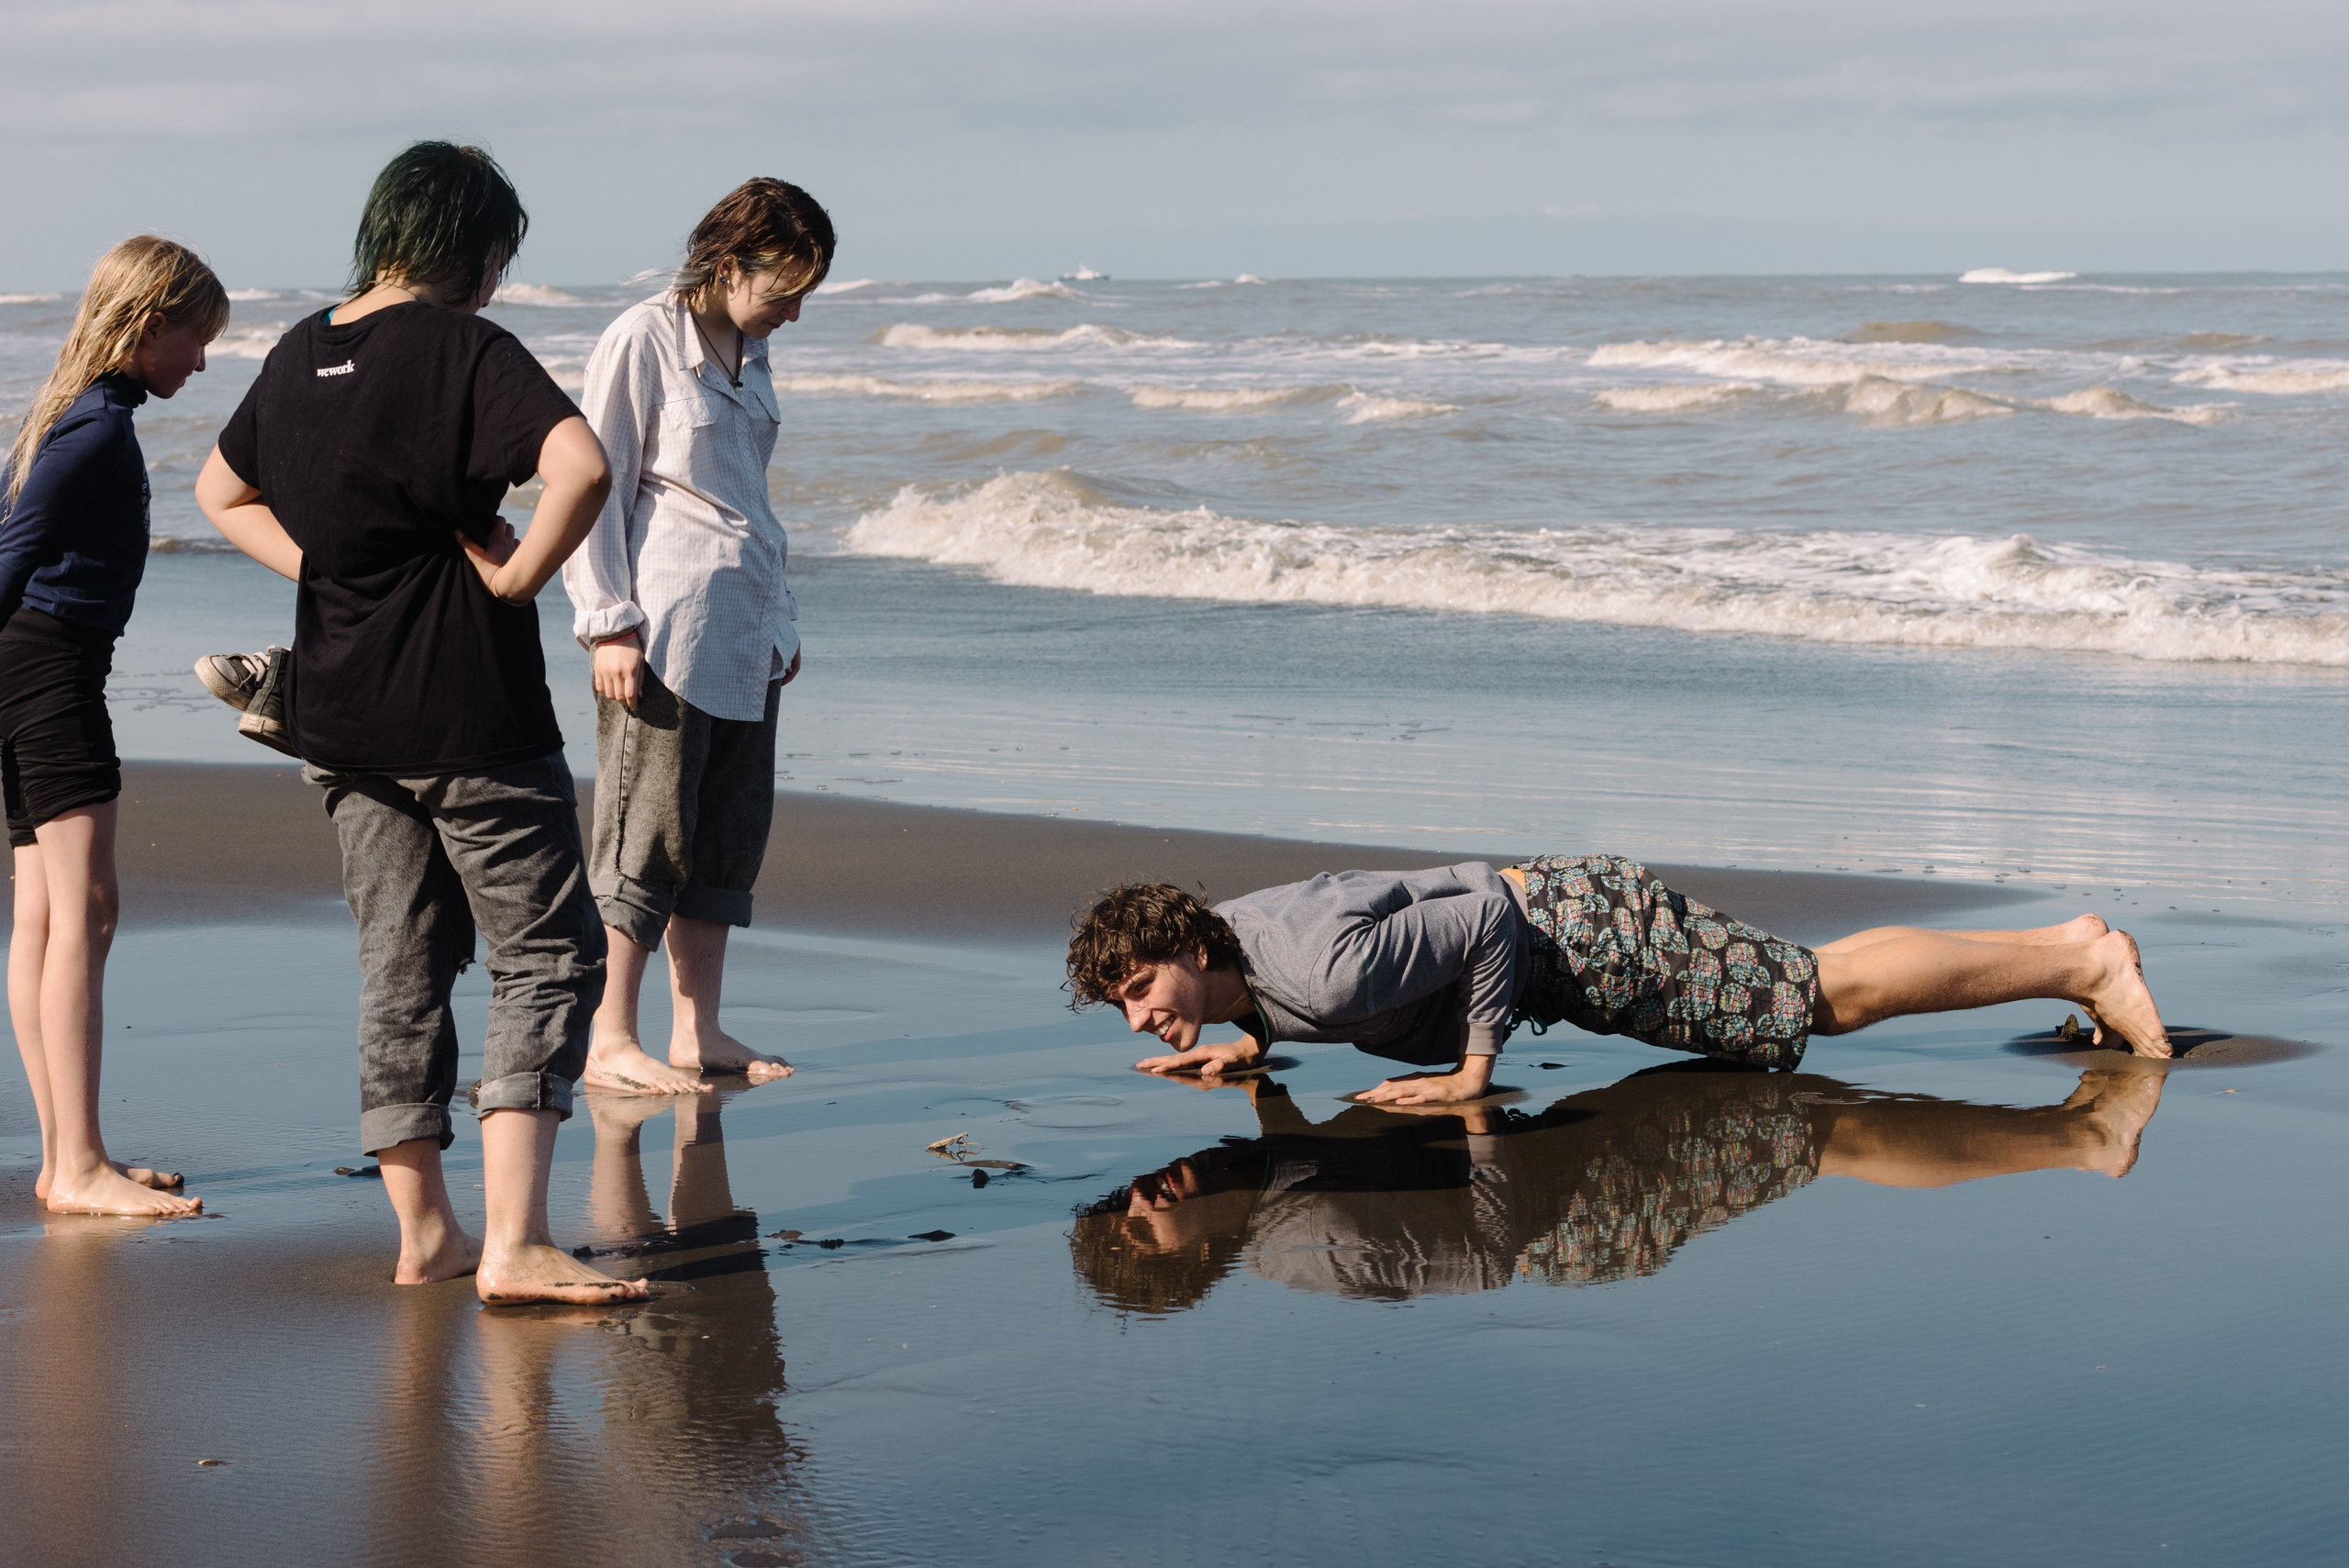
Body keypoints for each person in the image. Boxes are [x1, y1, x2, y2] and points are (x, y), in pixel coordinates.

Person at [193, 140, 646, 1304]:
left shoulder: (301, 350)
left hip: (340, 713)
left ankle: (426, 1233)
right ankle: (517, 1243)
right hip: (468, 709)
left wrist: (331, 568)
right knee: (547, 953)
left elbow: (217, 492)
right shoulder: (465, 347)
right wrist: (515, 578)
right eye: (499, 255)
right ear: (474, 247)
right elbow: (580, 465)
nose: (497, 279)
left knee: (399, 959)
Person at [1069, 1059, 2168, 1314]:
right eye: (1143, 1226)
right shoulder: (1299, 1244)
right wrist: (1482, 1119)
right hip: (1578, 1220)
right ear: (1199, 1251)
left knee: (1812, 1117)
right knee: (1822, 1138)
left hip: (1551, 1180)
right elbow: (1484, 1252)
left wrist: (1257, 1064)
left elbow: (1295, 1147)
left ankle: (2070, 1123)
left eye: (1124, 1200)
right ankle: (2079, 1138)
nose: (1141, 1196)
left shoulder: (1253, 1186)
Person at [1066, 854, 2170, 1106]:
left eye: (1143, 983)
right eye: (1123, 1001)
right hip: (1569, 914)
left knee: (1820, 997)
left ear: (1194, 951)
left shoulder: (1313, 962)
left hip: (1585, 931)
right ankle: (2063, 949)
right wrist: (1247, 1040)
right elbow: (1284, 981)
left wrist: (1473, 1068)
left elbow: (1487, 918)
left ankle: (2081, 958)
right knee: (1813, 979)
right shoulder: (1241, 949)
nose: (1140, 1011)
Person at [559, 178, 832, 1095]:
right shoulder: (645, 338)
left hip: (744, 627)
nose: (793, 313)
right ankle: (609, 1035)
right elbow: (595, 482)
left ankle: (696, 1030)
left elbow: (750, 502)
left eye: (804, 294)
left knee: (722, 839)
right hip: (663, 629)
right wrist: (606, 623)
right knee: (647, 835)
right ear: (727, 267)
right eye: (782, 291)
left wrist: (782, 616)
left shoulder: (751, 355)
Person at [3, 235, 228, 1216]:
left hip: (37, 662)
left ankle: (67, 1160)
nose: (202, 361)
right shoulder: (94, 426)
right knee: (83, 910)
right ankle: (79, 1162)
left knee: (45, 914)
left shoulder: (74, 413)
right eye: (194, 340)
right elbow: (10, 549)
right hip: (48, 669)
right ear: (148, 329)